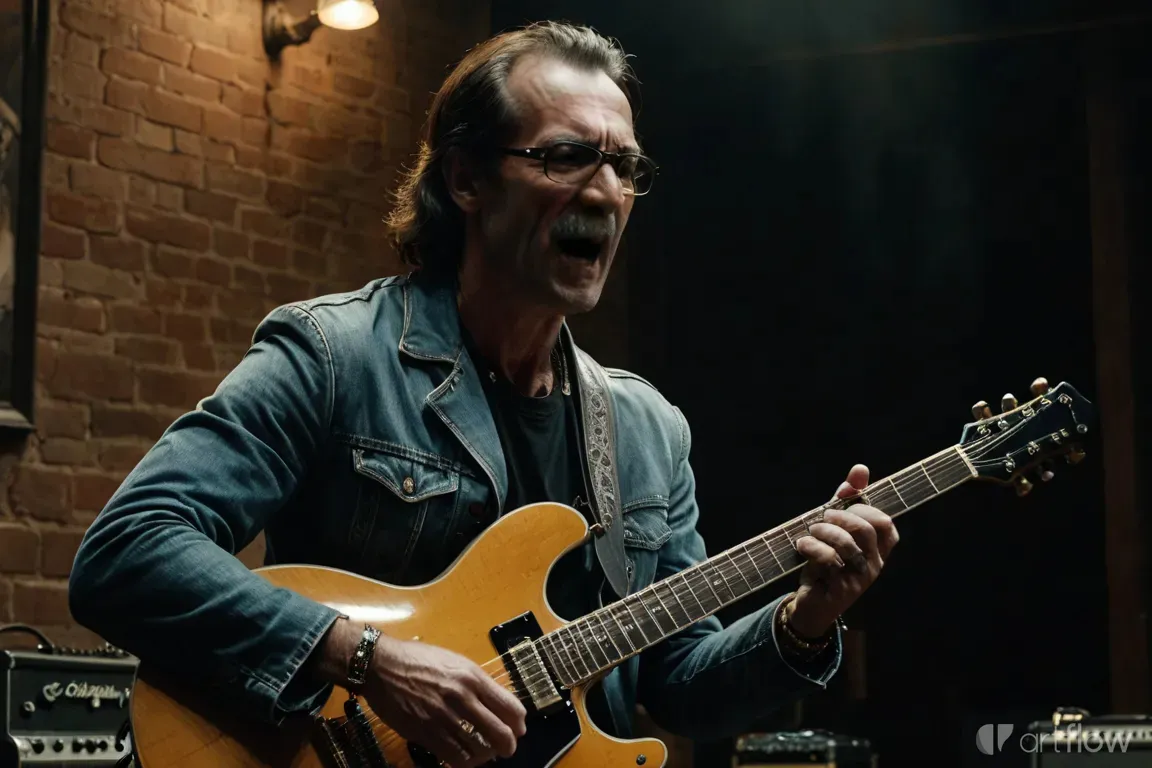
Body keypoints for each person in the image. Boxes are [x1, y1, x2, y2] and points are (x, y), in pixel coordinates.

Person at [69, 21, 899, 768]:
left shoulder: (647, 431)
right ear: (466, 179)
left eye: (624, 165)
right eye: (566, 156)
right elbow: (128, 552)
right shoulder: (336, 354)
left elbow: (679, 685)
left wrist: (803, 621)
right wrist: (370, 662)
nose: (606, 191)